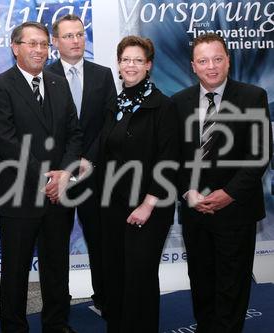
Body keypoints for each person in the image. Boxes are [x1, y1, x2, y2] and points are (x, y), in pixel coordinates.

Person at [0, 21, 83, 333]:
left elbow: (74, 135)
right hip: (21, 195)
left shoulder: (57, 83)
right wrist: (45, 180)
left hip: (58, 195)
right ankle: (14, 327)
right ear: (15, 47)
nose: (40, 50)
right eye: (32, 43)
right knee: (15, 270)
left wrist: (64, 175)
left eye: (43, 43)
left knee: (57, 267)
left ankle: (57, 323)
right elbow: (7, 142)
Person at [172, 32, 272, 333]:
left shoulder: (253, 96)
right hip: (194, 210)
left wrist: (228, 193)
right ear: (193, 65)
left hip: (236, 210)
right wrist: (187, 192)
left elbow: (259, 154)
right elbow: (172, 157)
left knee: (233, 285)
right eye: (203, 61)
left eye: (217, 59)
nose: (211, 66)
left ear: (228, 60)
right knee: (201, 282)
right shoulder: (178, 102)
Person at [88, 36, 178, 332]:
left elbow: (169, 160)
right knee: (114, 273)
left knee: (139, 276)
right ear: (118, 64)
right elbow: (102, 148)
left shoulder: (162, 106)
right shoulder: (115, 104)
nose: (131, 65)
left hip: (148, 207)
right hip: (112, 204)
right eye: (126, 59)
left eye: (138, 60)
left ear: (148, 65)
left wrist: (148, 204)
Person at [47, 13, 117, 310]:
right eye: (68, 36)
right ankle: (59, 307)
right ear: (55, 41)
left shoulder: (103, 74)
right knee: (55, 249)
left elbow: (109, 122)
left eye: (80, 34)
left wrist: (86, 161)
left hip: (95, 175)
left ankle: (104, 300)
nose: (76, 41)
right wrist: (66, 168)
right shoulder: (45, 76)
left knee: (101, 244)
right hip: (58, 177)